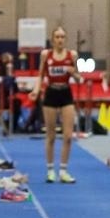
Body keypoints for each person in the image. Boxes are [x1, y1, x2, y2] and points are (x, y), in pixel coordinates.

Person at [35, 26, 79, 184]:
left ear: (65, 39)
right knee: (51, 136)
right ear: (52, 39)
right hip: (51, 93)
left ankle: (63, 171)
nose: (60, 40)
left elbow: (79, 78)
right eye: (57, 37)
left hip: (66, 93)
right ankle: (50, 171)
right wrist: (36, 90)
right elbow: (40, 75)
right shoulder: (45, 55)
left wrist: (73, 72)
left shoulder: (72, 55)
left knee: (68, 136)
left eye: (62, 37)